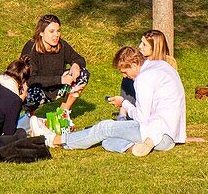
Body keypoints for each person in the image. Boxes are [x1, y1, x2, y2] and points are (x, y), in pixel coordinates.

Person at [33, 45, 186, 157]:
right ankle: (133, 148)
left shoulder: (144, 78)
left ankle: (56, 140)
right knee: (107, 141)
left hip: (158, 134)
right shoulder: (161, 66)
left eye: (125, 72)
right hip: (172, 133)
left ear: (134, 64)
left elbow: (142, 118)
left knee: (104, 128)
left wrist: (124, 103)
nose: (125, 77)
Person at [22, 14, 89, 113]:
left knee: (83, 73)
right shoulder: (31, 48)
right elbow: (31, 79)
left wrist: (76, 65)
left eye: (58, 31)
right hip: (38, 89)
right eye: (51, 31)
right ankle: (30, 116)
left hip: (58, 87)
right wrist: (61, 80)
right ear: (41, 33)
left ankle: (63, 112)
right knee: (29, 89)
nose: (56, 35)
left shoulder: (61, 44)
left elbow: (79, 59)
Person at [119, 29, 176, 108]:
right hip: (137, 100)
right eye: (141, 42)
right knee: (128, 76)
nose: (140, 46)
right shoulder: (140, 62)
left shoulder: (168, 63)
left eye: (144, 44)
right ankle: (124, 109)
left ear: (154, 47)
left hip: (155, 106)